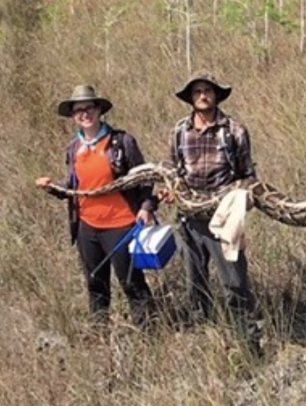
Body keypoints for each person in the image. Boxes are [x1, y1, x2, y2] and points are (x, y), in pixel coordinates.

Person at [36, 85, 156, 328]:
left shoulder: (121, 142)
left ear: (99, 109)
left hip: (121, 225)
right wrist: (53, 188)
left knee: (131, 281)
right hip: (87, 227)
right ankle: (100, 332)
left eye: (89, 107)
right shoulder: (74, 149)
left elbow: (145, 178)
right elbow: (75, 188)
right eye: (78, 110)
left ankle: (150, 332)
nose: (84, 114)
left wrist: (146, 207)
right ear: (73, 116)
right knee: (95, 282)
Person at [167, 72, 261, 353]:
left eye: (207, 90)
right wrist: (170, 190)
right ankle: (203, 338)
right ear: (191, 98)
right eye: (197, 91)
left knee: (234, 280)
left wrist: (241, 195)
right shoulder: (179, 131)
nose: (202, 95)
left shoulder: (235, 130)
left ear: (216, 94)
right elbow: (173, 170)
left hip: (225, 218)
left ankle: (247, 339)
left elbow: (248, 174)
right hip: (189, 218)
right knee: (195, 281)